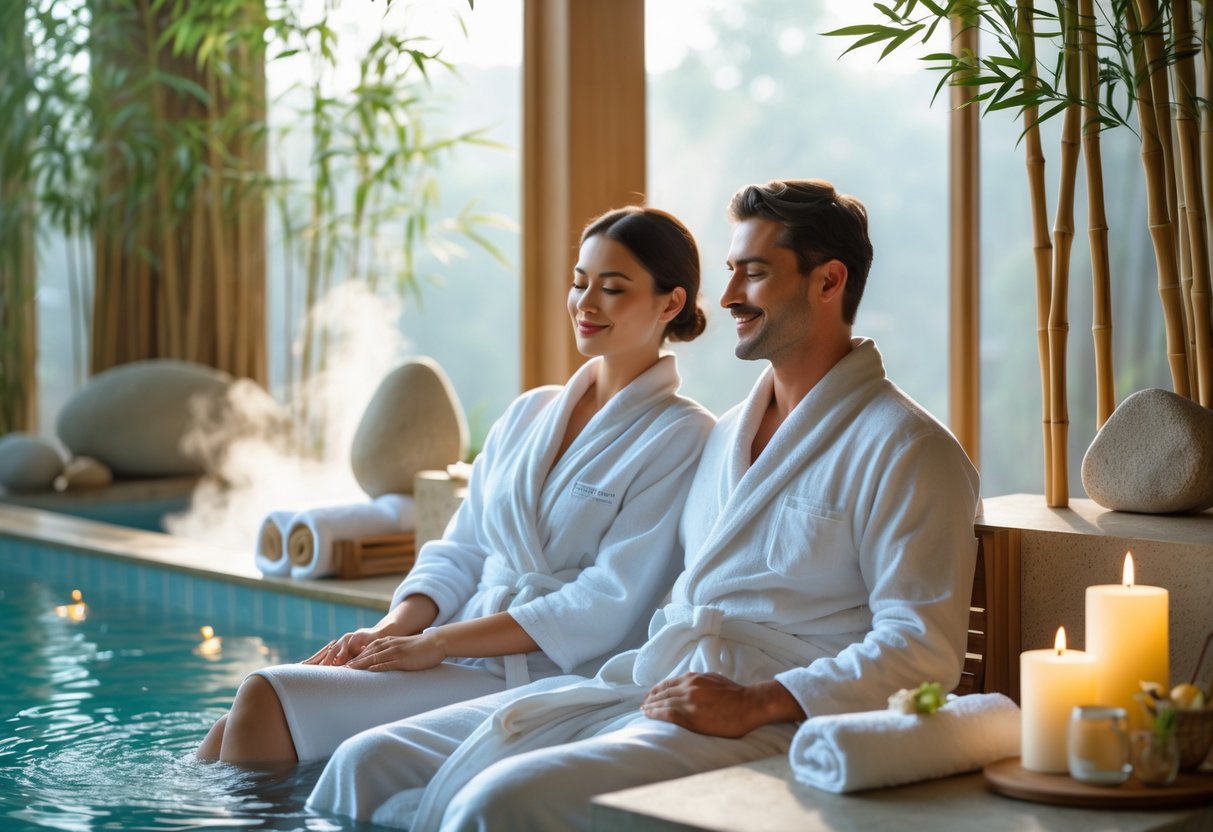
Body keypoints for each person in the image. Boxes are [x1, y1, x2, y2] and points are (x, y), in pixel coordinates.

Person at [303, 179, 982, 830]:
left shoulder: (906, 449)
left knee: (500, 803)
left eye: (753, 272)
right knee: (366, 763)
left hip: (771, 714)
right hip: (661, 683)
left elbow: (920, 649)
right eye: (729, 270)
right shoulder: (727, 436)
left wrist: (758, 701)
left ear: (827, 281)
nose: (727, 297)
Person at [197, 206, 715, 765]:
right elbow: (460, 548)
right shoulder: (530, 413)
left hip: (537, 670)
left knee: (265, 694)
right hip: (450, 646)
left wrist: (436, 644)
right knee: (230, 728)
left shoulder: (681, 434)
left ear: (671, 302)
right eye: (579, 282)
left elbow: (604, 602)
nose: (585, 304)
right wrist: (391, 630)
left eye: (612, 288)